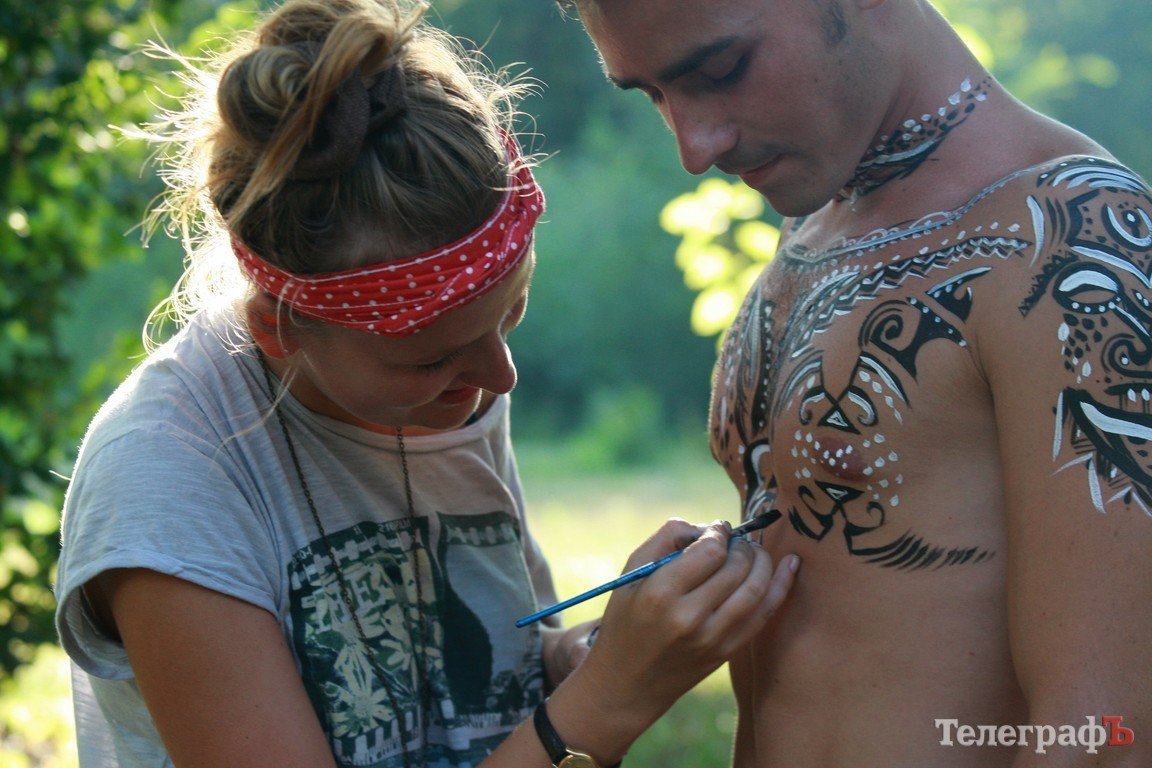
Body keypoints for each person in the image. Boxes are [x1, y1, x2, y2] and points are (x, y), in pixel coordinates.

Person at [52, 1, 801, 766]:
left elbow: (477, 679)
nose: (497, 379)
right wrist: (610, 699)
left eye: (508, 318)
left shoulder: (448, 393)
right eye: (429, 359)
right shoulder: (168, 482)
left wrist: (577, 655)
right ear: (281, 327)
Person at [554, 0, 1152, 765]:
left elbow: (1104, 738)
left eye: (719, 69)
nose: (695, 147)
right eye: (652, 95)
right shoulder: (812, 228)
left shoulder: (1072, 242)